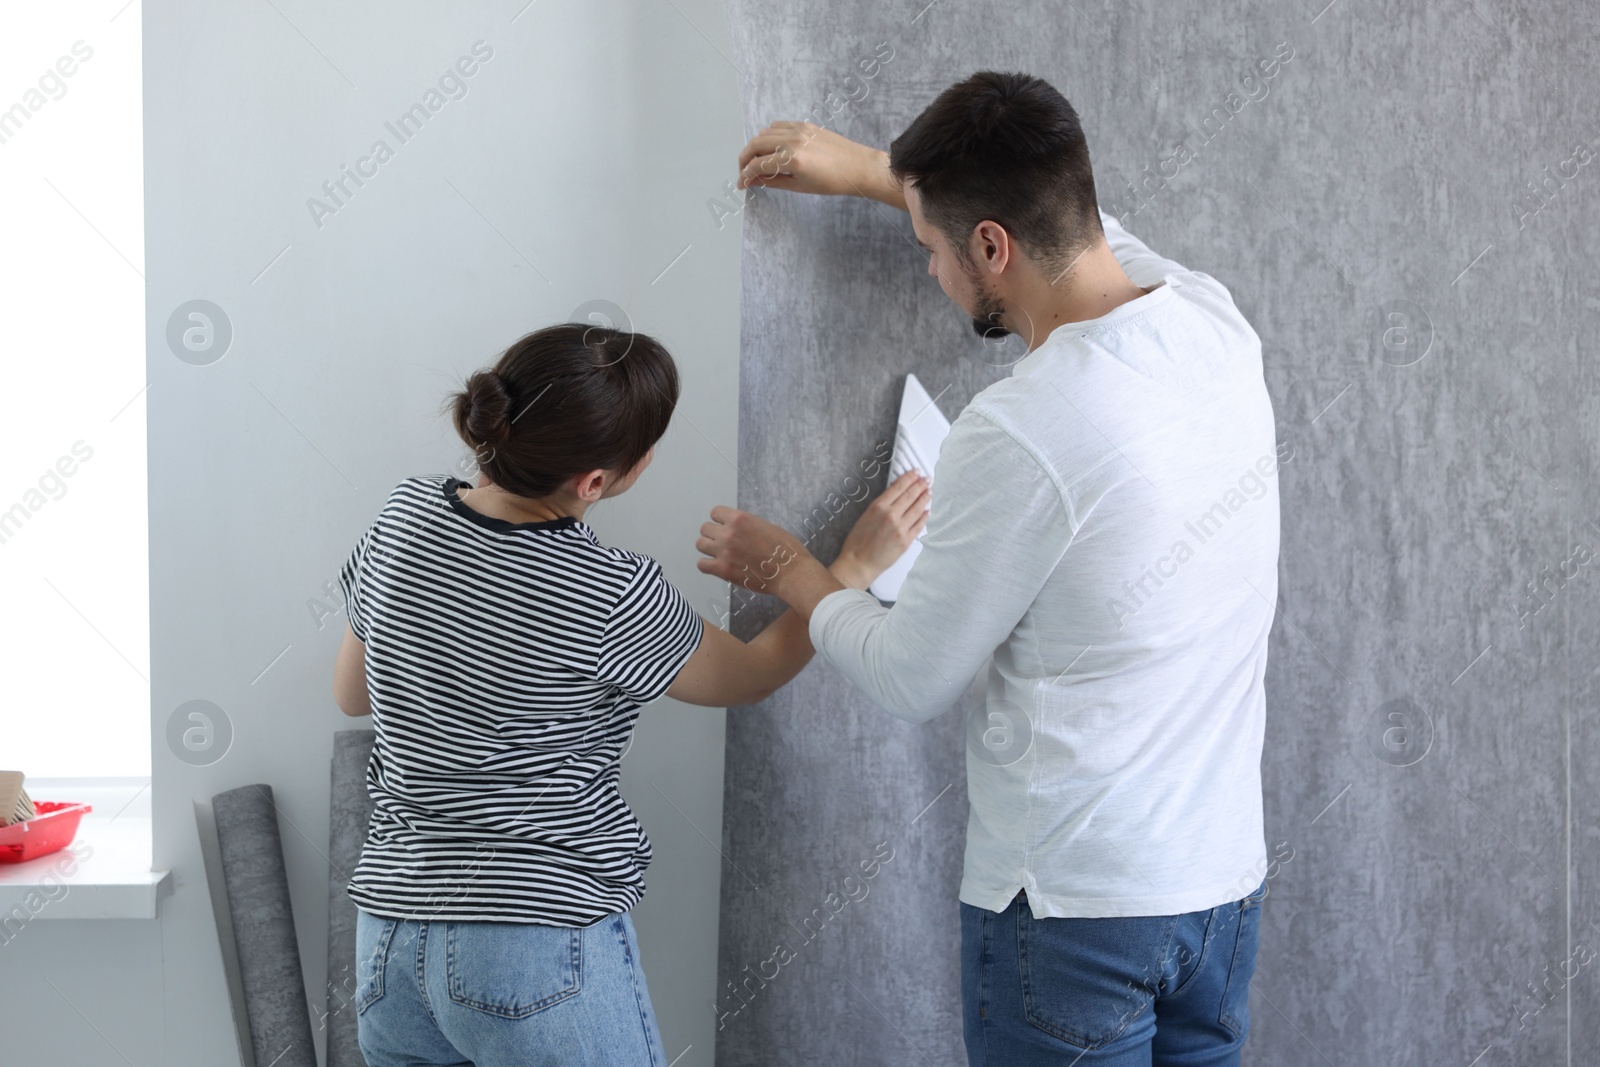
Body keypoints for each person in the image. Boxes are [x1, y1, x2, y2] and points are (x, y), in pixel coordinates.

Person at [697, 71, 1282, 1066]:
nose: (927, 270)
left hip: (1069, 915)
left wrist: (795, 568)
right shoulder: (1211, 322)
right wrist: (878, 174)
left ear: (991, 247)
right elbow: (1092, 230)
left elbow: (910, 675)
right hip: (1218, 894)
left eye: (930, 248)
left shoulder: (1019, 426)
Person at [331, 322, 929, 1067]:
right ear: (594, 483)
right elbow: (750, 672)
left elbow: (352, 693)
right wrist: (849, 566)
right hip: (530, 941)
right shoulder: (610, 592)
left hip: (389, 940)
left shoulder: (404, 515)